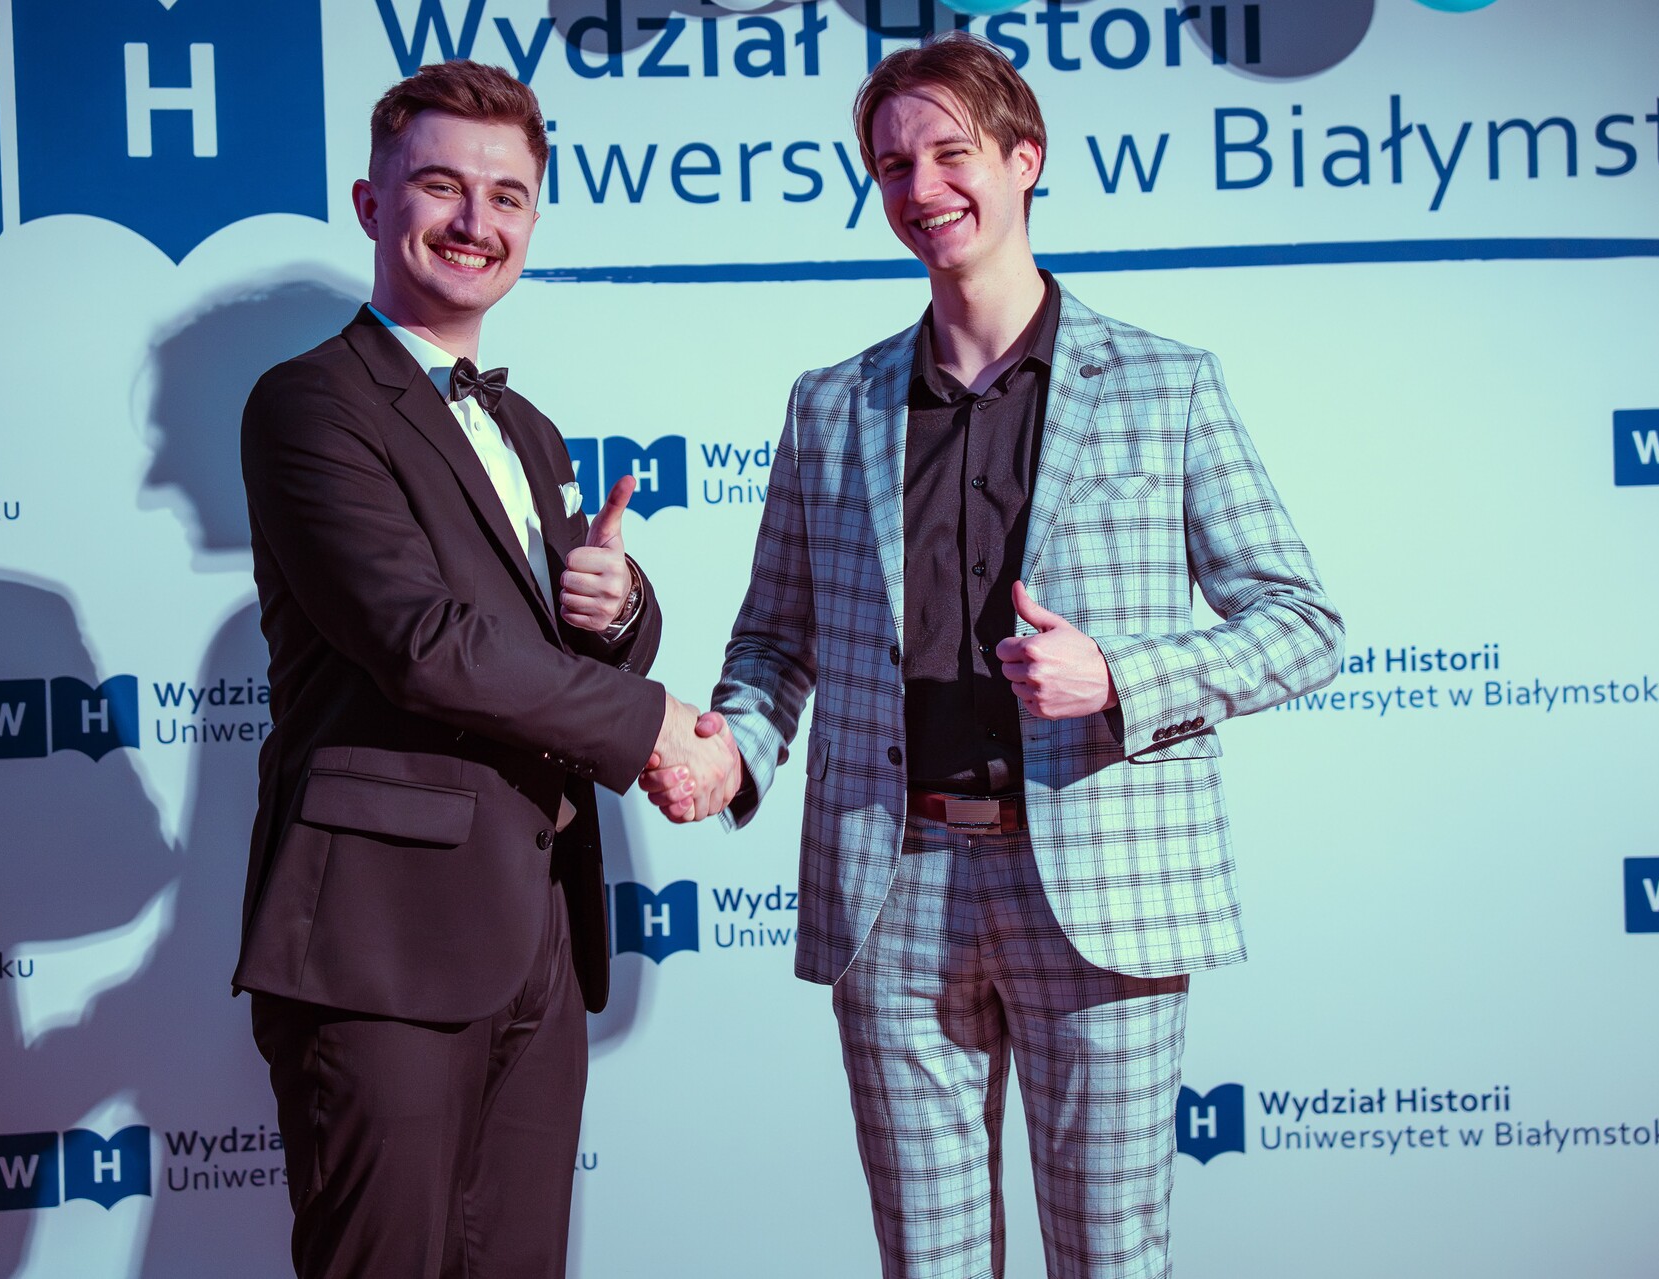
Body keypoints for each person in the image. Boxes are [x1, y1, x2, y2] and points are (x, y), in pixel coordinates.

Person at [643, 33, 1344, 1279]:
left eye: (950, 154)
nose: (921, 189)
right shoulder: (830, 403)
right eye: (892, 166)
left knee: (1110, 1259)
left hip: (1103, 887)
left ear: (1026, 159)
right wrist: (733, 752)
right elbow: (775, 639)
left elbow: (1301, 621)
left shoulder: (1165, 385)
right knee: (929, 1262)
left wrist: (1121, 677)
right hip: (892, 883)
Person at [234, 60, 709, 1278]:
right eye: (441, 186)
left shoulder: (528, 428)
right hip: (383, 939)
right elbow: (427, 644)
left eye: (507, 196)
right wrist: (651, 722)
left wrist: (618, 608)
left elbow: (543, 641)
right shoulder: (310, 404)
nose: (474, 221)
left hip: (536, 923)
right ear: (371, 203)